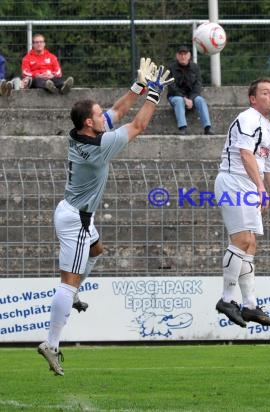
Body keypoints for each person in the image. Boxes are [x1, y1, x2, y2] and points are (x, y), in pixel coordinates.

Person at [37, 58, 173, 376]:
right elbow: (137, 125)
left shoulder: (81, 134)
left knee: (97, 252)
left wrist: (137, 87)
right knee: (67, 283)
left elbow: (120, 110)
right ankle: (51, 343)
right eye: (98, 114)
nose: (104, 115)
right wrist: (154, 95)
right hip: (77, 219)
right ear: (89, 123)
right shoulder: (98, 146)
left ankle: (71, 293)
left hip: (74, 212)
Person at [214, 77, 270, 328]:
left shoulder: (268, 129)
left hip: (247, 184)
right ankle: (227, 300)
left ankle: (249, 305)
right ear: (252, 98)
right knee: (241, 241)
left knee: (250, 245)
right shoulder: (247, 118)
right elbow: (244, 153)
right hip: (234, 181)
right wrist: (259, 187)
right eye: (266, 93)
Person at [167, 45, 214, 135]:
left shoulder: (195, 67)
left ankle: (207, 127)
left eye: (185, 54)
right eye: (180, 54)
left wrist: (191, 99)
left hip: (192, 97)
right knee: (179, 100)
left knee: (200, 100)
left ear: (189, 55)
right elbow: (172, 87)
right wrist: (185, 99)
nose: (183, 56)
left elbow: (198, 85)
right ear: (177, 56)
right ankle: (182, 128)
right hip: (176, 96)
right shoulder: (171, 68)